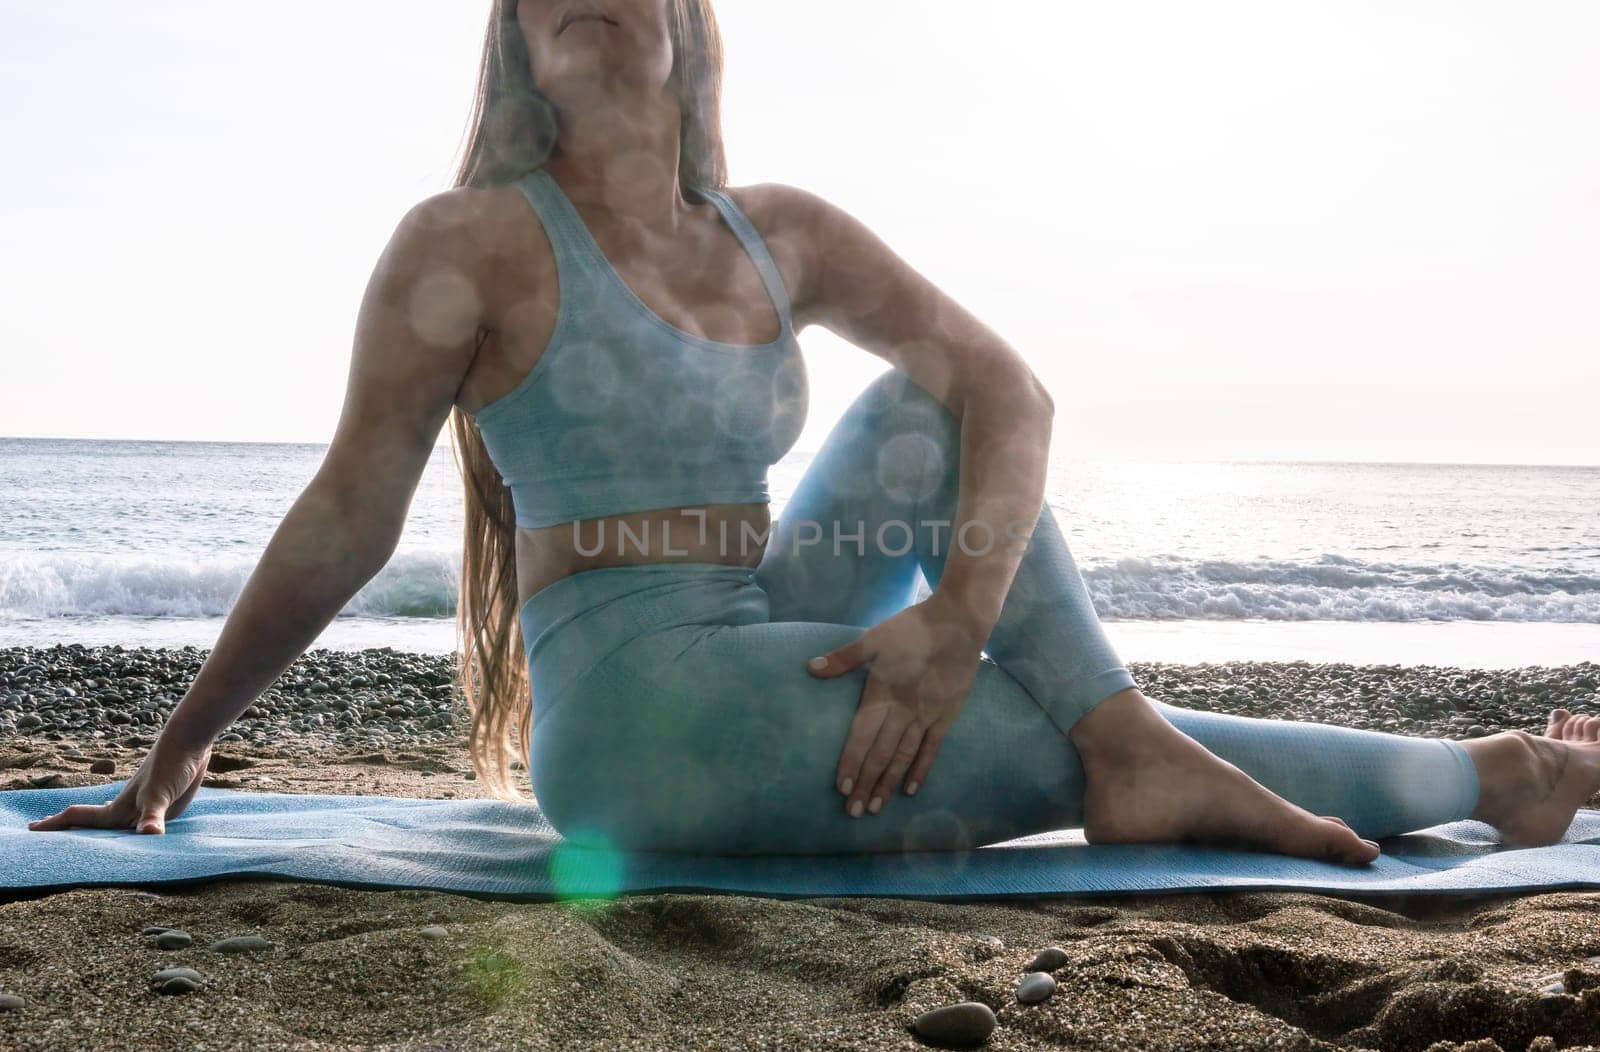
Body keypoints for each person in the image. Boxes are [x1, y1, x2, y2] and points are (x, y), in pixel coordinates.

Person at [31, 0, 1600, 861]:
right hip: (646, 708)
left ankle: (1132, 743)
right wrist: (178, 755)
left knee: (942, 402)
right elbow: (345, 513)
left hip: (773, 614)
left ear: (687, 24)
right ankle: (1493, 772)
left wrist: (955, 624)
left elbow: (1014, 396)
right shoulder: (466, 244)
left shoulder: (783, 232)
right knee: (1068, 730)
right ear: (514, 36)